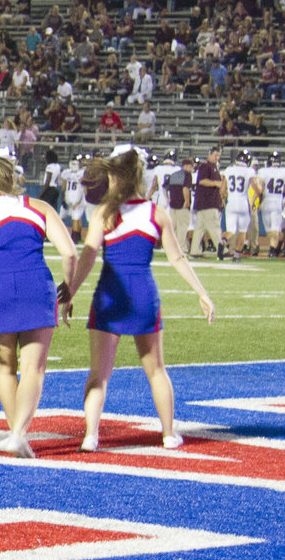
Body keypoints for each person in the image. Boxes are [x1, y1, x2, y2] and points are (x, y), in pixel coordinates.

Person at [62, 146, 215, 451]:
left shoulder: (104, 212)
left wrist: (70, 292)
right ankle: (169, 433)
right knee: (156, 370)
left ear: (114, 177)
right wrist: (202, 292)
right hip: (144, 295)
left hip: (110, 293)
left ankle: (91, 435)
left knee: (99, 374)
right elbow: (178, 257)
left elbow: (88, 258)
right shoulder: (156, 213)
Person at [0, 152, 77, 457]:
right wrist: (69, 289)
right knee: (34, 369)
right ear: (13, 176)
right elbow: (70, 253)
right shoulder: (39, 207)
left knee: (5, 370)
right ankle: (19, 433)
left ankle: (15, 434)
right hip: (38, 287)